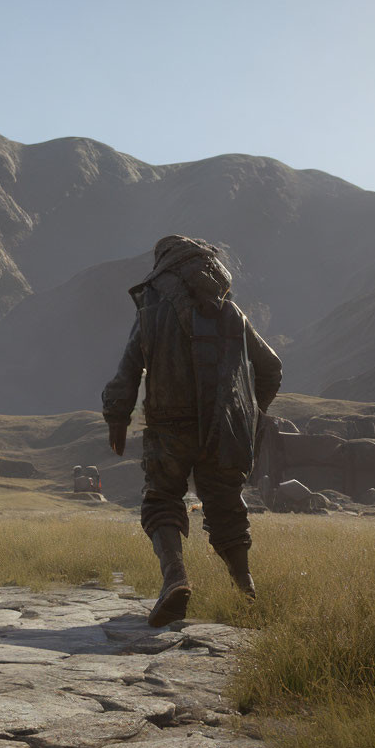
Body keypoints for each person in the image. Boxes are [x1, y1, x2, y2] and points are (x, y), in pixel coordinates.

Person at [102, 235, 282, 626]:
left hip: (169, 428)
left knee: (161, 500)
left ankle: (175, 581)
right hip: (224, 431)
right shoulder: (232, 314)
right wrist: (252, 415)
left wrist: (117, 416)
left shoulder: (152, 310)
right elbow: (271, 367)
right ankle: (247, 593)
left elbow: (129, 367)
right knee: (226, 509)